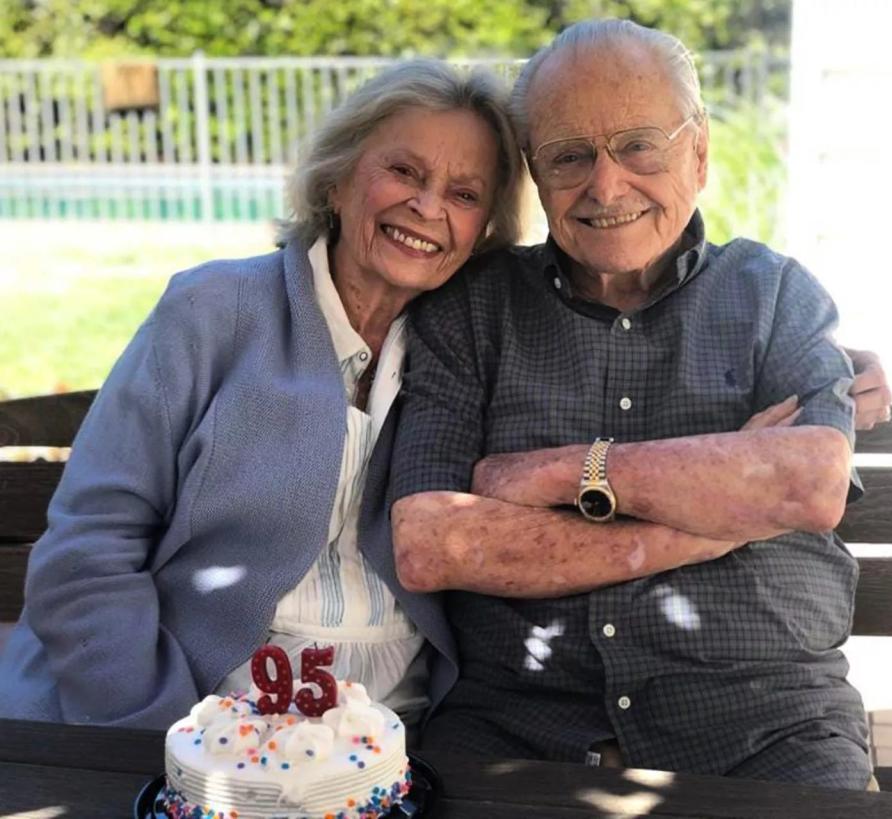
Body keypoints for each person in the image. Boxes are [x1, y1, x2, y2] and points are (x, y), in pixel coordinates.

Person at [390, 20, 880, 789]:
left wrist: (564, 473)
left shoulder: (775, 295)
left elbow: (808, 483)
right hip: (517, 728)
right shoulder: (472, 311)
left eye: (639, 145)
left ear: (700, 151)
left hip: (765, 726)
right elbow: (430, 541)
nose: (606, 186)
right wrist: (725, 504)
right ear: (534, 172)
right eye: (569, 156)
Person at [0, 59, 524, 730]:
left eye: (465, 193)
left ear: (484, 227)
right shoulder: (211, 311)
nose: (429, 207)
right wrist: (159, 739)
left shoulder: (467, 350)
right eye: (404, 172)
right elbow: (89, 551)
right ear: (335, 178)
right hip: (188, 713)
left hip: (395, 734)